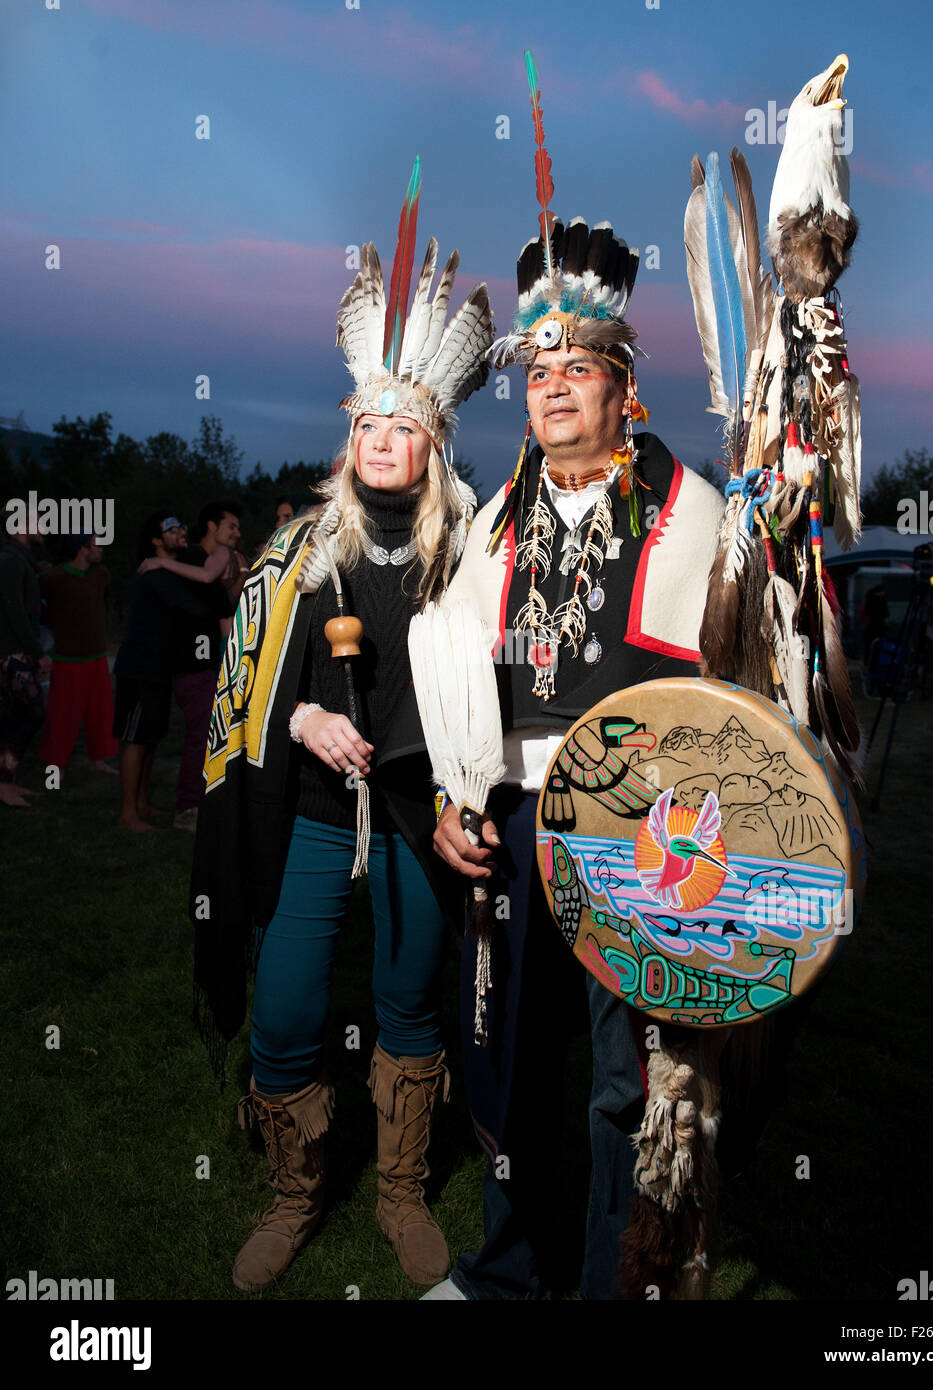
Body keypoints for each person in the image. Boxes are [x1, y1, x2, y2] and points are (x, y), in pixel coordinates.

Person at [190, 162, 494, 1294]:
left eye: (401, 427)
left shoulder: (463, 559)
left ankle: (404, 1191)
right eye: (366, 422)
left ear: (429, 445)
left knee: (412, 998)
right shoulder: (293, 554)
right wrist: (306, 712)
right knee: (289, 1003)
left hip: (419, 813)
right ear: (348, 436)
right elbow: (248, 686)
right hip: (313, 812)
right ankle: (291, 1192)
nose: (381, 439)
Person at [422, 207, 723, 1299]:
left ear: (622, 385)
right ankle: (506, 1270)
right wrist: (454, 803)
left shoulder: (688, 514)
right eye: (537, 368)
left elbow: (729, 697)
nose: (551, 386)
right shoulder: (495, 516)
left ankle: (612, 1282)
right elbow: (449, 672)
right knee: (504, 1053)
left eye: (578, 367)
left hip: (633, 835)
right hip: (510, 822)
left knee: (616, 1081)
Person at [112, 512, 223, 831]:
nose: (180, 532)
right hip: (140, 668)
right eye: (170, 530)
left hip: (161, 668)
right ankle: (127, 813)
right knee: (135, 739)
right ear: (156, 541)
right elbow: (195, 607)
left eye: (180, 526)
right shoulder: (154, 575)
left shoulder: (170, 571)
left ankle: (142, 804)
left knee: (151, 738)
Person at [139, 502, 240, 830]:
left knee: (212, 734)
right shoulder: (191, 560)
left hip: (209, 660)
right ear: (212, 526)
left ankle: (206, 803)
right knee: (200, 734)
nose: (236, 534)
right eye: (230, 526)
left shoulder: (199, 563)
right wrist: (159, 562)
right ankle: (187, 809)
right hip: (191, 664)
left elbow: (215, 594)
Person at [38, 533, 118, 779]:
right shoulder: (54, 578)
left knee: (101, 713)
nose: (100, 550)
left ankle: (99, 759)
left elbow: (103, 601)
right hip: (67, 658)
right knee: (63, 716)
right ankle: (55, 766)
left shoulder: (100, 575)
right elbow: (41, 611)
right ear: (81, 548)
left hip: (96, 655)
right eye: (95, 545)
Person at [0, 507, 48, 807]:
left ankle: (7, 781)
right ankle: (3, 784)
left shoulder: (22, 561)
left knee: (18, 715)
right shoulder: (9, 560)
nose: (44, 525)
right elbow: (13, 611)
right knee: (30, 713)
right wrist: (37, 653)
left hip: (17, 652)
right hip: (10, 652)